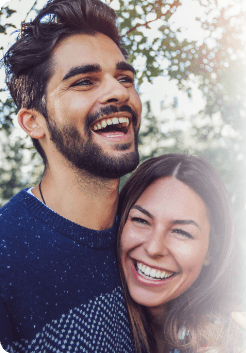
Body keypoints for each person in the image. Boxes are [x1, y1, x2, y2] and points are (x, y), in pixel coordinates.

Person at [0, 0, 141, 351]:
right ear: (34, 122)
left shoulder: (154, 231)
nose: (119, 91)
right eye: (84, 82)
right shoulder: (6, 257)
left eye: (125, 78)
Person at [117, 154, 246, 353]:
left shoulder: (234, 338)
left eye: (181, 232)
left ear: (211, 252)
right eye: (141, 220)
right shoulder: (95, 321)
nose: (154, 248)